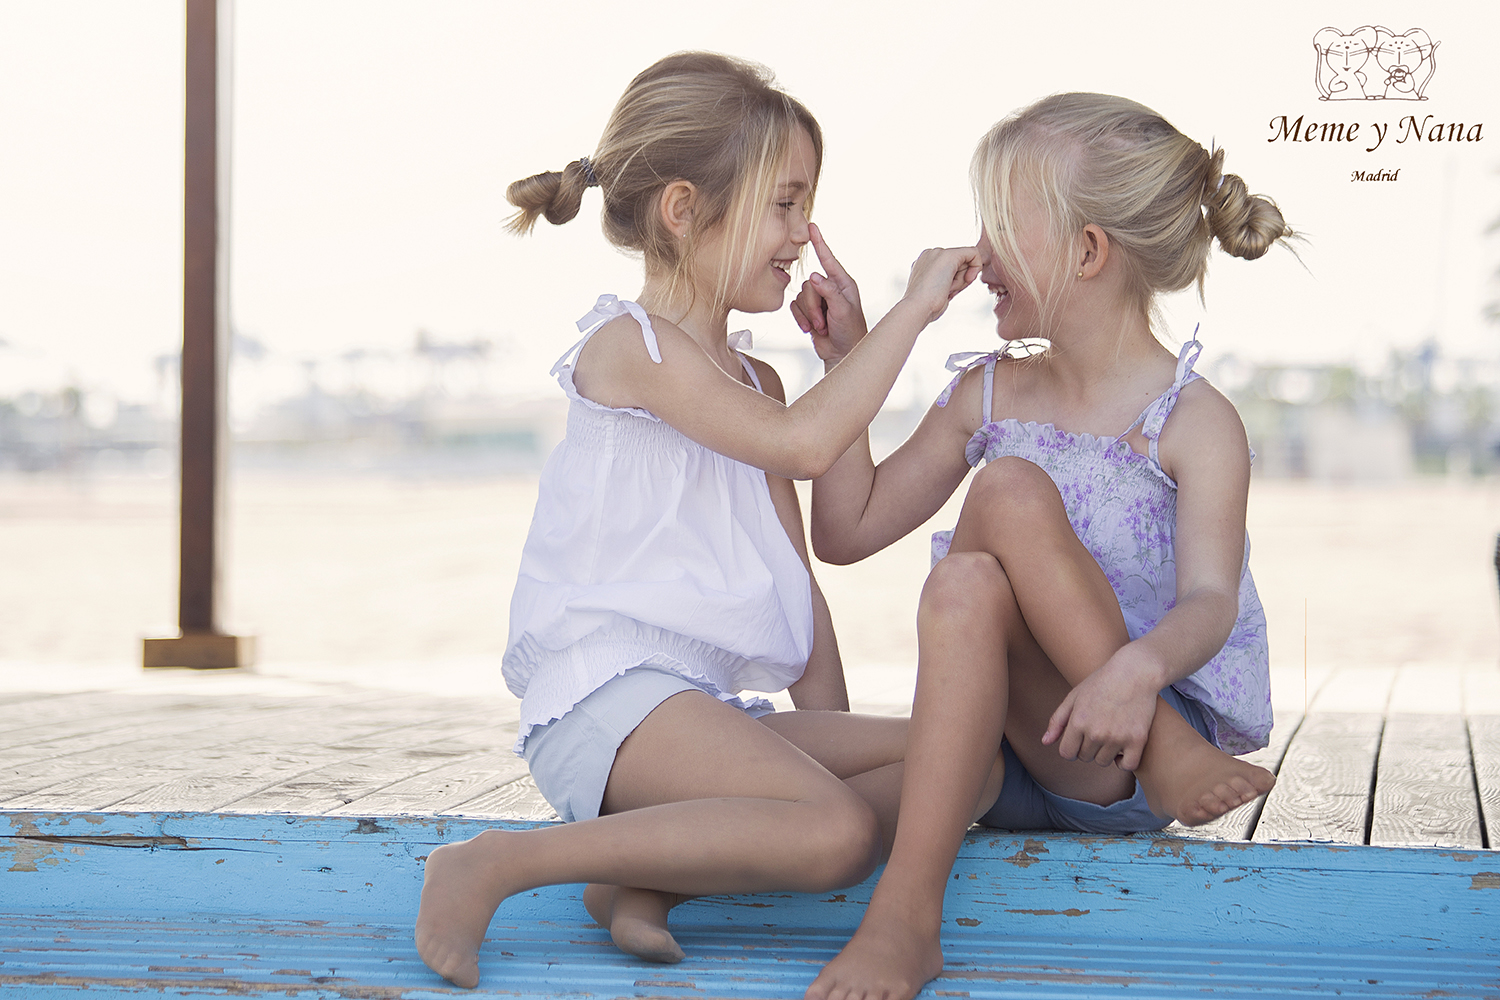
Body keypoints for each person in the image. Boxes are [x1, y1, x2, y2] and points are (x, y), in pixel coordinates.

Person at [413, 51, 988, 990]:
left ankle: (641, 875)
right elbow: (805, 445)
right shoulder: (629, 350)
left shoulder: (759, 384)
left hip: (699, 711)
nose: (803, 234)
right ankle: (495, 863)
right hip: (607, 699)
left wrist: (844, 350)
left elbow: (799, 586)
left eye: (807, 207)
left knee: (970, 766)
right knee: (835, 831)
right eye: (784, 204)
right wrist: (911, 314)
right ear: (684, 211)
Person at [792, 93, 1291, 1000]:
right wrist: (847, 362)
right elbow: (847, 527)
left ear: (1089, 252)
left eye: (999, 225)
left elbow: (1212, 600)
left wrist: (1138, 676)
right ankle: (642, 868)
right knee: (961, 591)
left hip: (1114, 757)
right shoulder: (986, 394)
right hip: (994, 758)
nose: (977, 253)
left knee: (1007, 495)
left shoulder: (1191, 421)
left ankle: (905, 918)